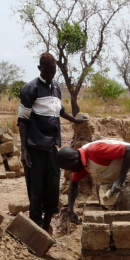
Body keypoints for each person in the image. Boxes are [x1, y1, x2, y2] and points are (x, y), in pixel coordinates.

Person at [17, 52, 88, 232]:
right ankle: (35, 229)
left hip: (51, 148)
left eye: (53, 72)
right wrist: (24, 150)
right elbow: (22, 120)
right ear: (40, 69)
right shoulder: (30, 89)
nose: (50, 75)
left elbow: (59, 110)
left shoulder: (56, 88)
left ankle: (46, 228)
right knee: (36, 191)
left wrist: (74, 120)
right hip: (35, 148)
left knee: (52, 188)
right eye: (47, 72)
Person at [57, 139, 130, 223]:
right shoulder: (81, 162)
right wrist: (70, 210)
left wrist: (119, 181)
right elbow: (74, 183)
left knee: (126, 214)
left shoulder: (95, 150)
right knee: (116, 212)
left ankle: (129, 241)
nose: (71, 171)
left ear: (73, 159)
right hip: (125, 172)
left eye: (69, 168)